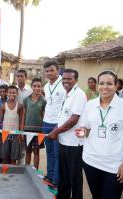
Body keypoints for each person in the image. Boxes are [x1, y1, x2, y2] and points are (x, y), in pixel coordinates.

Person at [76, 70, 123, 199]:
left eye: (109, 83)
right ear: (97, 85)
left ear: (116, 85)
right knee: (96, 196)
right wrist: (82, 131)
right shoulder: (90, 105)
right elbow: (85, 125)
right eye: (101, 83)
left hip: (114, 165)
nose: (105, 87)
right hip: (91, 161)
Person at [48, 69, 87, 198]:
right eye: (64, 79)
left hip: (74, 144)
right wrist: (57, 131)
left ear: (76, 80)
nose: (65, 81)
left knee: (74, 177)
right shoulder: (67, 94)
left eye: (69, 79)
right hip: (64, 142)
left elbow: (74, 120)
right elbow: (63, 118)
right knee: (64, 175)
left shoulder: (79, 94)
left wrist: (56, 132)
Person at [42, 59, 66, 187]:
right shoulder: (46, 86)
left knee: (57, 153)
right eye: (47, 71)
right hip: (46, 122)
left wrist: (60, 124)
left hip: (58, 123)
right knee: (49, 151)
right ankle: (50, 175)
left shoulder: (64, 84)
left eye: (52, 70)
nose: (49, 73)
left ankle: (56, 180)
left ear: (58, 70)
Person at [22, 78, 46, 170]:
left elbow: (44, 116)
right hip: (27, 129)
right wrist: (22, 129)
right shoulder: (26, 100)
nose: (37, 88)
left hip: (39, 130)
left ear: (41, 87)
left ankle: (35, 171)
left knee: (36, 151)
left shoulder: (43, 101)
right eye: (35, 86)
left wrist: (43, 130)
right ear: (31, 87)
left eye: (39, 86)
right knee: (28, 151)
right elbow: (24, 114)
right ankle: (27, 169)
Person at [0, 85, 24, 164]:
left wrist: (21, 133)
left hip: (16, 134)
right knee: (4, 155)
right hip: (5, 134)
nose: (12, 94)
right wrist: (0, 133)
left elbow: (21, 121)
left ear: (17, 94)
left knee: (14, 156)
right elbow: (0, 121)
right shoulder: (3, 106)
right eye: (10, 92)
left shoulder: (20, 106)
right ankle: (4, 173)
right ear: (7, 93)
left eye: (14, 93)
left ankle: (13, 173)